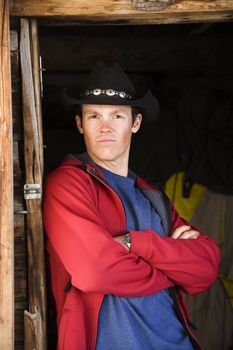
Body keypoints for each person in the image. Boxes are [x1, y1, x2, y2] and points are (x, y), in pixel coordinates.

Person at [43, 62, 221, 350]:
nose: (105, 127)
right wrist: (171, 270)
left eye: (117, 115)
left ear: (135, 123)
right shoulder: (68, 184)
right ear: (80, 124)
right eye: (93, 116)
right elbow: (94, 271)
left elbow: (205, 269)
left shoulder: (152, 196)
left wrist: (132, 243)